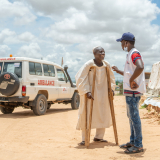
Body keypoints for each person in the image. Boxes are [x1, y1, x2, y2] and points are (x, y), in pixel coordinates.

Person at [112, 32, 146, 154]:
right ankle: (133, 141)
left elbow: (140, 66)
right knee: (131, 117)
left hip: (133, 92)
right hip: (130, 91)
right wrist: (118, 71)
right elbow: (129, 74)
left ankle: (138, 145)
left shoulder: (134, 53)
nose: (121, 44)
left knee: (134, 118)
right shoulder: (130, 54)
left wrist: (132, 80)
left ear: (126, 42)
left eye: (122, 42)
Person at [75, 46, 115, 145]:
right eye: (100, 52)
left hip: (103, 93)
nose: (103, 53)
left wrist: (112, 89)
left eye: (104, 52)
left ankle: (99, 137)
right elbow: (80, 78)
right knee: (87, 114)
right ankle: (85, 139)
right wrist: (86, 91)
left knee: (102, 113)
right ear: (94, 54)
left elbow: (111, 78)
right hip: (90, 94)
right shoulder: (88, 64)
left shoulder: (106, 64)